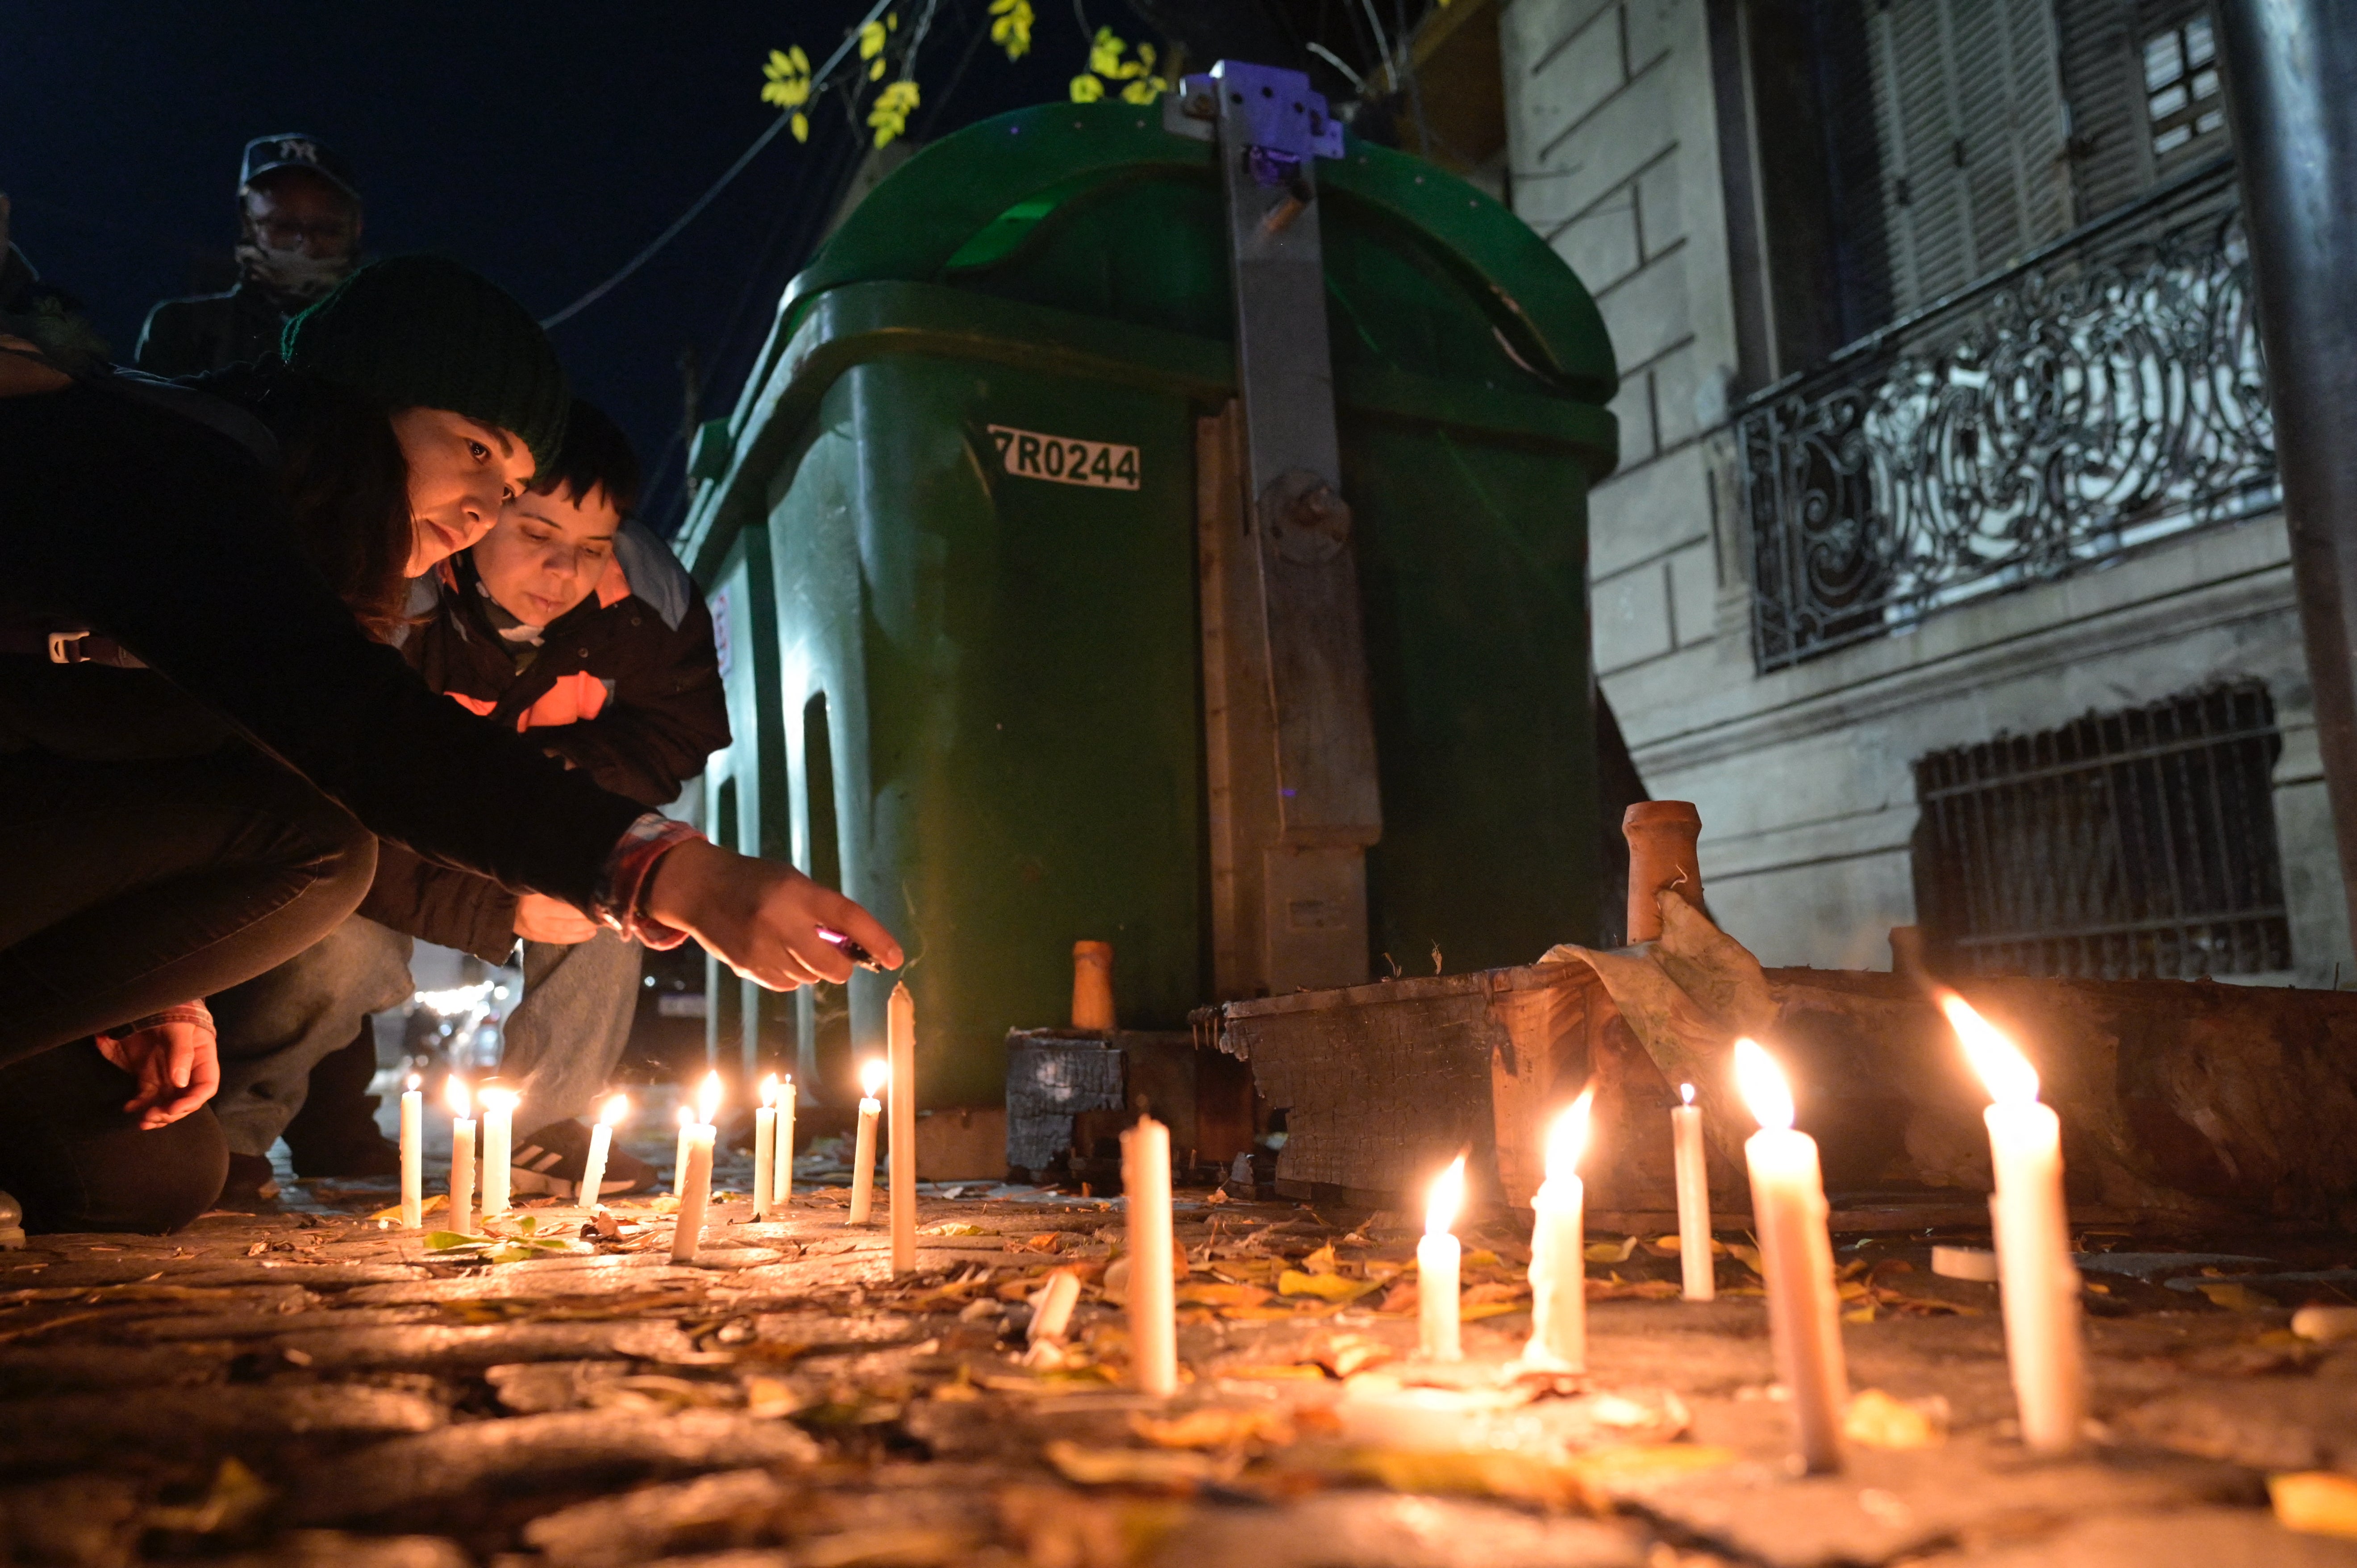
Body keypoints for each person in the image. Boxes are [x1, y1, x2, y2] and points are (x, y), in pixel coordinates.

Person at [0, 254, 900, 1235]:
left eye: (507, 481)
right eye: (474, 450)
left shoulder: (301, 554)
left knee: (151, 1177)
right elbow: (364, 734)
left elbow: (225, 759)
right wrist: (668, 872)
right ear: (361, 402)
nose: (482, 510)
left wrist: (157, 996)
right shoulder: (179, 468)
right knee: (321, 853)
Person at [210, 399, 729, 1202]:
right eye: (536, 535)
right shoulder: (390, 593)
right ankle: (230, 1135)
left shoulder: (646, 606)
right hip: (374, 841)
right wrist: (492, 909)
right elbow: (330, 795)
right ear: (479, 516)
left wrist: (554, 778)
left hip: (513, 824)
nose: (565, 573)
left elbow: (673, 732)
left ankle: (542, 1127)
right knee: (344, 947)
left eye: (593, 547)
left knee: (613, 875)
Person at [135, 135, 364, 378]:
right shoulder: (182, 328)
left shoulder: (390, 333)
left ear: (358, 227)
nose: (306, 246)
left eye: (326, 229)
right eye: (283, 226)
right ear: (248, 222)